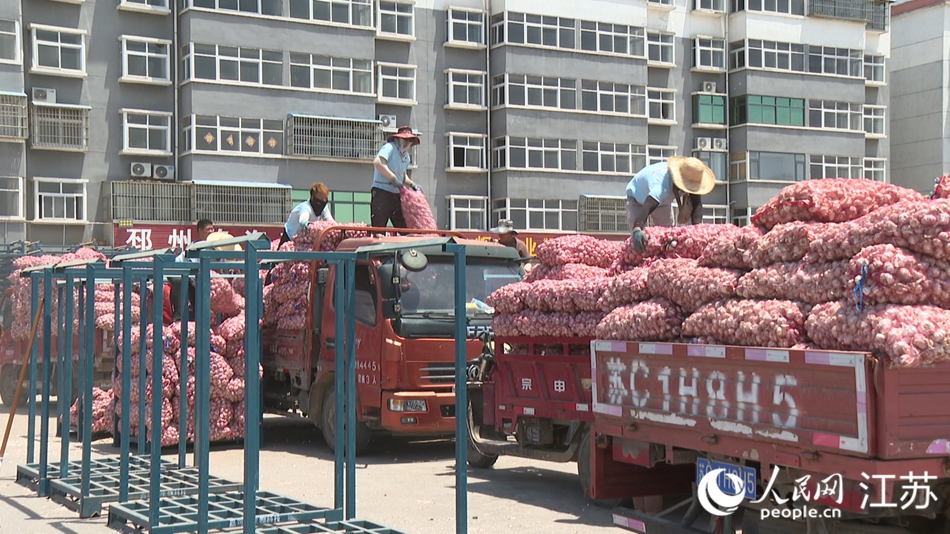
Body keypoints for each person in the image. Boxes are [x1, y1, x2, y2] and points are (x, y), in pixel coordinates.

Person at [626, 156, 716, 253]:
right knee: (641, 242)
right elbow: (648, 206)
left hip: (663, 202)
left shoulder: (691, 176)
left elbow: (696, 204)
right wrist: (637, 228)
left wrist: (697, 231)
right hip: (638, 198)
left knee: (668, 237)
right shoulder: (661, 187)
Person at [371, 126, 422, 229]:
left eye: (410, 140)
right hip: (382, 192)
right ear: (398, 138)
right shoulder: (389, 147)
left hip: (397, 195)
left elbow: (402, 176)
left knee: (405, 229)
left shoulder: (406, 157)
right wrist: (392, 178)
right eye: (404, 139)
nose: (406, 142)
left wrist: (412, 184)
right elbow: (378, 162)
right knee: (379, 229)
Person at [278, 182, 335, 249]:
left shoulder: (324, 208)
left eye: (325, 199)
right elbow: (303, 218)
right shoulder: (305, 207)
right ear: (312, 197)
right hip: (289, 237)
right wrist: (304, 222)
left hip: (302, 239)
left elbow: (330, 221)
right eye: (320, 199)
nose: (323, 201)